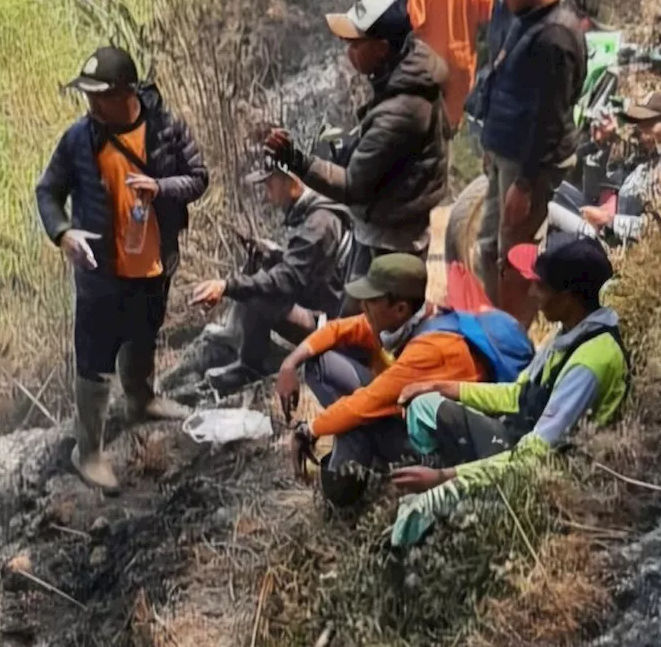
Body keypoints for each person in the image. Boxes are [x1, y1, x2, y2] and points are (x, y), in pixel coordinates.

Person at [35, 46, 208, 491]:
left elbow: (198, 177)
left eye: (99, 96)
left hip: (153, 262)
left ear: (126, 93)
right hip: (100, 273)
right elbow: (48, 191)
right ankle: (87, 451)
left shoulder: (166, 128)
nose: (90, 105)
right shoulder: (78, 139)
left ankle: (141, 401)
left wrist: (161, 186)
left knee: (144, 331)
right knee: (94, 359)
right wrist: (63, 234)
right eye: (87, 96)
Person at [391, 237, 626, 547]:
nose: (533, 293)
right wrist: (440, 386)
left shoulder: (590, 362)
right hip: (517, 442)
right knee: (426, 404)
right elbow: (517, 395)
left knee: (417, 516)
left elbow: (534, 457)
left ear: (568, 297)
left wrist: (445, 479)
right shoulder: (569, 333)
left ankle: (437, 505)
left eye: (541, 287)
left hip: (540, 473)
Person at [266, 0, 448, 316]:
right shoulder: (404, 75)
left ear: (381, 48)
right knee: (356, 326)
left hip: (392, 240)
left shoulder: (403, 110)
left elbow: (351, 185)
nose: (348, 52)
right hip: (382, 226)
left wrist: (296, 160)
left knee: (370, 331)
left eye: (356, 44)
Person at [275, 254, 486, 506]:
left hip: (442, 452)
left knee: (355, 422)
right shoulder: (414, 318)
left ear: (400, 308)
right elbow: (336, 329)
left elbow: (365, 404)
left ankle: (345, 487)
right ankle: (354, 458)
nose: (363, 306)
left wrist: (308, 430)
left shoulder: (430, 349)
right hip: (408, 414)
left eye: (372, 301)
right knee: (320, 364)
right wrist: (289, 364)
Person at [475, 0, 585, 328]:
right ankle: (496, 327)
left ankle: (512, 346)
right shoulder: (529, 18)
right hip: (508, 156)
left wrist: (524, 184)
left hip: (528, 165)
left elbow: (549, 121)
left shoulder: (555, 36)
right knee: (489, 248)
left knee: (516, 257)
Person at [188, 155, 352, 392]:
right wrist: (275, 254)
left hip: (335, 327)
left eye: (270, 185)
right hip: (329, 306)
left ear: (292, 183)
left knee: (259, 292)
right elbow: (310, 270)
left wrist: (226, 286)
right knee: (260, 267)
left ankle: (250, 367)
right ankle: (242, 346)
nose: (267, 195)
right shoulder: (320, 209)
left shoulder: (319, 223)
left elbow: (285, 282)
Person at [408, 0, 495, 131]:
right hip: (463, 64)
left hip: (430, 67)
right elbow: (487, 18)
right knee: (452, 124)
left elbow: (414, 23)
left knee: (430, 125)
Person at [575, 90, 661, 242]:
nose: (641, 127)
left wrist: (609, 221)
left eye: (650, 121)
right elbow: (594, 193)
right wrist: (601, 145)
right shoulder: (643, 158)